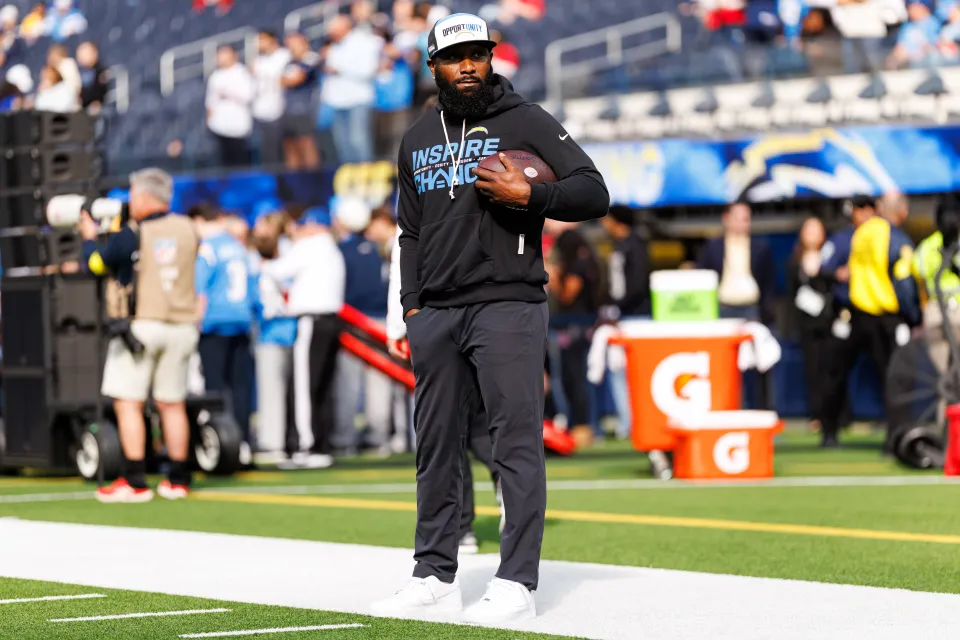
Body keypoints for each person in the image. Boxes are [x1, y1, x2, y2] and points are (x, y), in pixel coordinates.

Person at [372, 12, 609, 623]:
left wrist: (536, 197)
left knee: (515, 443)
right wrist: (413, 309)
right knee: (436, 448)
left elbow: (593, 189)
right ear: (434, 66)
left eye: (478, 53)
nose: (469, 65)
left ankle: (516, 585)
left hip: (508, 301)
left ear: (491, 55)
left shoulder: (524, 119)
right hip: (437, 314)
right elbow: (410, 234)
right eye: (456, 57)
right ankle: (433, 573)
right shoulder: (416, 137)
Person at [80, 168, 199, 502]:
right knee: (172, 403)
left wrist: (90, 238)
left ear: (145, 197)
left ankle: (134, 480)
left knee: (128, 401)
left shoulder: (134, 232)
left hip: (144, 324)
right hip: (183, 324)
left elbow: (97, 265)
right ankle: (179, 478)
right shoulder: (190, 229)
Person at [820, 193, 921, 449]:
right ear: (902, 212)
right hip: (883, 316)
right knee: (893, 378)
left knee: (836, 372)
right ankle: (895, 438)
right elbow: (904, 281)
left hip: (856, 312)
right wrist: (912, 316)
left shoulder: (861, 233)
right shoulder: (896, 238)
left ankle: (829, 432)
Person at [261, 207, 345, 469]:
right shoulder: (331, 248)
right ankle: (319, 443)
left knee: (304, 386)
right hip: (330, 320)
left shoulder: (312, 246)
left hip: (312, 321)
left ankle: (305, 446)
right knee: (320, 386)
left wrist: (262, 263)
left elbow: (279, 270)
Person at [191, 205, 255, 461]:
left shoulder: (208, 248)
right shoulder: (239, 248)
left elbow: (200, 291)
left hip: (215, 323)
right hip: (240, 322)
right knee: (241, 389)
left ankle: (217, 443)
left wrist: (195, 323)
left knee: (214, 390)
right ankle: (242, 444)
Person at [332, 197, 393, 454]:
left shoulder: (341, 252)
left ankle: (345, 439)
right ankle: (377, 437)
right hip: (380, 321)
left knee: (348, 383)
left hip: (352, 322)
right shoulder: (380, 249)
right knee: (379, 382)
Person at [547, 222, 602, 447]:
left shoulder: (578, 265)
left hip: (575, 327)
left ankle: (582, 425)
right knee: (575, 378)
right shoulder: (588, 261)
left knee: (575, 378)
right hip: (579, 325)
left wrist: (553, 279)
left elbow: (567, 295)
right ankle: (581, 424)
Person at [250, 212, 298, 463]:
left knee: (273, 392)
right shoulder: (295, 252)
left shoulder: (270, 259)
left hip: (273, 330)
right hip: (292, 330)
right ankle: (290, 443)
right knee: (292, 394)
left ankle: (273, 444)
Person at [696, 202, 775, 323]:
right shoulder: (713, 246)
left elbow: (768, 282)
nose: (740, 223)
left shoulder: (761, 247)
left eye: (745, 219)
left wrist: (767, 310)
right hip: (722, 307)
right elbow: (703, 275)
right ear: (726, 219)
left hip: (751, 308)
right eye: (736, 218)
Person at [788, 216, 831, 433]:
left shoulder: (831, 255)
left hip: (829, 321)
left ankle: (838, 414)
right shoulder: (795, 260)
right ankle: (817, 414)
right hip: (808, 323)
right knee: (813, 370)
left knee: (832, 369)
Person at [321, 14, 383, 164]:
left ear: (344, 27)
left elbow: (369, 70)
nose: (330, 32)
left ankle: (366, 176)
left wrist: (340, 69)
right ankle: (349, 179)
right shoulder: (334, 47)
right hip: (336, 101)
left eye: (333, 28)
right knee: (342, 144)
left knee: (358, 140)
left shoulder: (364, 42)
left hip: (357, 99)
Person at [206, 45, 256, 168]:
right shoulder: (215, 76)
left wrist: (228, 93)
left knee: (240, 163)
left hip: (238, 128)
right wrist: (209, 121)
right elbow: (210, 102)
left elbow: (248, 96)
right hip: (219, 127)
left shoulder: (242, 73)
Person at [281, 33, 321, 170]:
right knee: (290, 145)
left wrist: (286, 81)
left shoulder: (311, 58)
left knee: (306, 144)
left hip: (305, 108)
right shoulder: (290, 62)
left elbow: (296, 79)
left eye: (294, 43)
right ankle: (294, 183)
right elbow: (282, 81)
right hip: (288, 109)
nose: (291, 47)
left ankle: (313, 179)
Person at [251, 30, 291, 168]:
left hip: (280, 110)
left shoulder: (285, 56)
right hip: (261, 111)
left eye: (262, 39)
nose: (258, 44)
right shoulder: (259, 60)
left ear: (272, 40)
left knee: (282, 152)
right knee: (266, 153)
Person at [76, 41, 108, 112]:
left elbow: (100, 91)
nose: (81, 57)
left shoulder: (100, 71)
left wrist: (96, 102)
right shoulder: (76, 72)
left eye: (85, 53)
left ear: (94, 53)